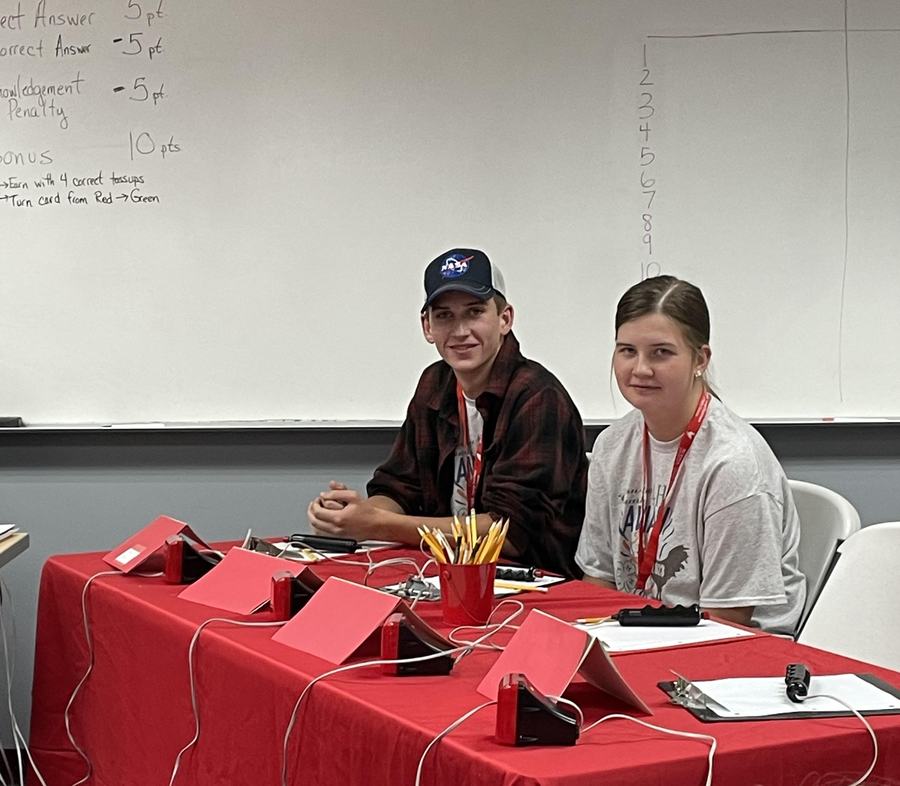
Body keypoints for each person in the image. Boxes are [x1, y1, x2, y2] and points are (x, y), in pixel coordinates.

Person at [307, 248, 588, 577]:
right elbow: (398, 489)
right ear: (427, 327)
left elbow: (509, 533)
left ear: (505, 319)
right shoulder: (435, 384)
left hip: (529, 584)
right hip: (445, 574)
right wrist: (353, 516)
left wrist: (378, 525)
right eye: (444, 316)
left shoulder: (538, 396)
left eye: (474, 313)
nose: (459, 331)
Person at [575, 275, 805, 632]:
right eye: (627, 350)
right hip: (635, 635)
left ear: (700, 358)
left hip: (736, 652)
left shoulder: (733, 464)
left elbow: (728, 622)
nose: (640, 369)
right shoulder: (611, 446)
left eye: (661, 353)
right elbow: (600, 579)